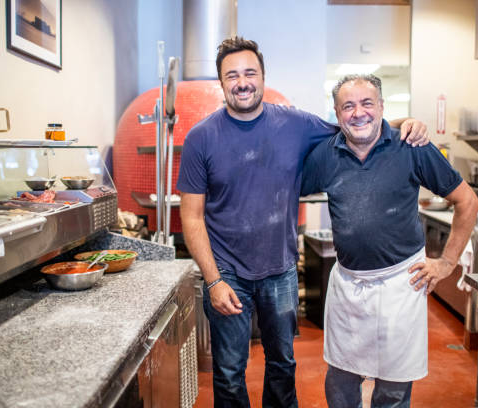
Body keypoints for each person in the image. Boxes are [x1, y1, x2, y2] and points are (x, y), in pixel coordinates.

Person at [177, 37, 428, 408]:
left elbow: (354, 127)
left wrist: (404, 123)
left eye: (250, 72)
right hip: (226, 272)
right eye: (232, 75)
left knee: (282, 364)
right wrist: (212, 280)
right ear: (221, 82)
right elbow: (192, 217)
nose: (242, 81)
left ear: (263, 77)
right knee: (229, 371)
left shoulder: (295, 123)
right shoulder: (201, 138)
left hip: (280, 271)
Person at [301, 74, 478, 408]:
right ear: (337, 114)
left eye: (367, 103)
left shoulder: (411, 146)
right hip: (350, 285)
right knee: (340, 383)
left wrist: (447, 263)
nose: (358, 113)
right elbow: (283, 191)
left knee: (394, 389)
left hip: (402, 283)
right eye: (348, 106)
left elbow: (467, 202)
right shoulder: (325, 155)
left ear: (382, 107)